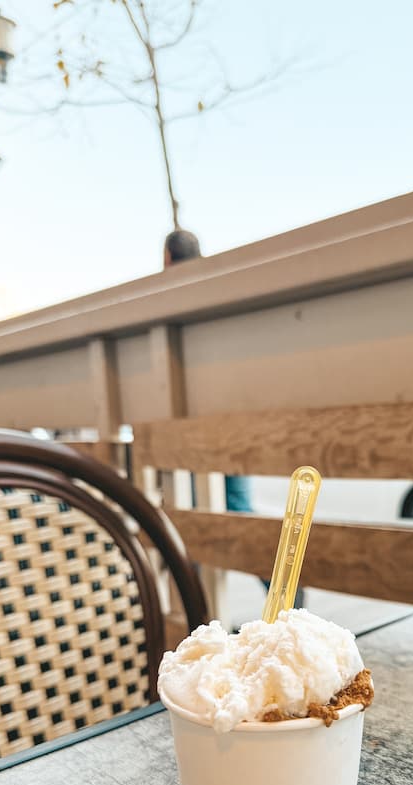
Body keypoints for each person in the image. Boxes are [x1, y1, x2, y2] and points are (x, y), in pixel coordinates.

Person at [162, 228, 304, 609]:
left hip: (193, 424)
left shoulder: (169, 298)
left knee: (192, 516)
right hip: (233, 418)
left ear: (168, 258)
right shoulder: (216, 289)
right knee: (238, 507)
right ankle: (281, 583)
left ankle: (195, 609)